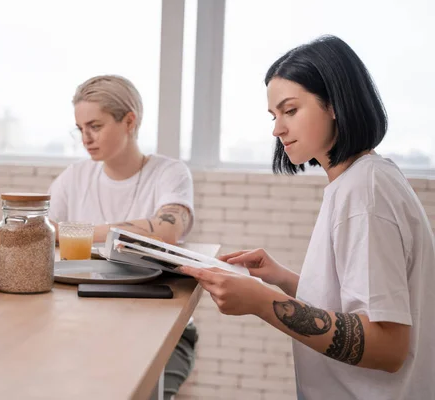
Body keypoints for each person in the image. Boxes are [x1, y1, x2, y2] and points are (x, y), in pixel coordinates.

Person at [178, 35, 435, 400]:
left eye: (290, 110)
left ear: (333, 104)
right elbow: (359, 306)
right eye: (274, 115)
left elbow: (387, 347)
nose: (276, 129)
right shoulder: (360, 181)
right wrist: (283, 278)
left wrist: (262, 303)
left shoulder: (365, 192)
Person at [48, 75, 197, 399]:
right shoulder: (75, 176)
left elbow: (168, 230)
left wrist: (76, 231)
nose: (86, 138)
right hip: (82, 321)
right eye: (80, 128)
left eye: (95, 126)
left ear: (129, 121)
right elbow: (43, 232)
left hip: (157, 325)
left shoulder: (169, 172)